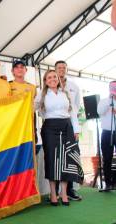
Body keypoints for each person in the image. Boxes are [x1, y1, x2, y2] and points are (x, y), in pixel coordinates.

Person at [34, 70, 83, 206]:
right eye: (49, 77)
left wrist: (76, 130)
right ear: (45, 81)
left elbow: (73, 112)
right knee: (51, 160)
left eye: (54, 77)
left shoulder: (65, 93)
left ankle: (64, 194)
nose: (52, 79)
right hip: (49, 128)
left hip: (67, 127)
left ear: (58, 79)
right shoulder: (41, 95)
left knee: (66, 160)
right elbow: (31, 107)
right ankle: (53, 194)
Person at [55, 60, 82, 201]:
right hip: (54, 127)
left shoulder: (74, 86)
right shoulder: (50, 84)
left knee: (70, 156)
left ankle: (70, 190)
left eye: (63, 68)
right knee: (57, 157)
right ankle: (57, 191)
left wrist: (75, 128)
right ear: (54, 69)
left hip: (70, 125)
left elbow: (75, 107)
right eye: (59, 68)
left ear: (66, 69)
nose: (61, 70)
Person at [97, 81, 116, 191]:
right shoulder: (104, 101)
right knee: (107, 158)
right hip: (107, 132)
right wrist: (109, 102)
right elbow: (100, 111)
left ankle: (114, 182)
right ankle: (108, 184)